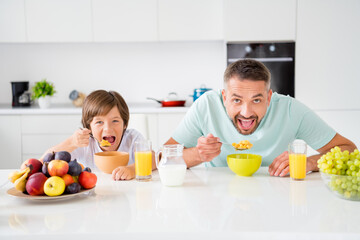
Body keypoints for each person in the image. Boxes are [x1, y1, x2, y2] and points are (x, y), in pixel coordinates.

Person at [165, 59, 356, 177]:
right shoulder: (206, 106)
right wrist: (198, 154)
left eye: (256, 100)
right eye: (237, 100)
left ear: (269, 97)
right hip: (216, 201)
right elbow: (163, 157)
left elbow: (349, 150)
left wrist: (309, 162)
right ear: (224, 97)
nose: (246, 112)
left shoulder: (291, 110)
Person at [42, 90, 155, 180]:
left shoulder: (132, 138)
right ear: (89, 126)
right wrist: (71, 142)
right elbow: (43, 163)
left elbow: (155, 158)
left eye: (115, 121)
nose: (107, 128)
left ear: (124, 124)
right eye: (99, 122)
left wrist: (133, 169)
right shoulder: (85, 144)